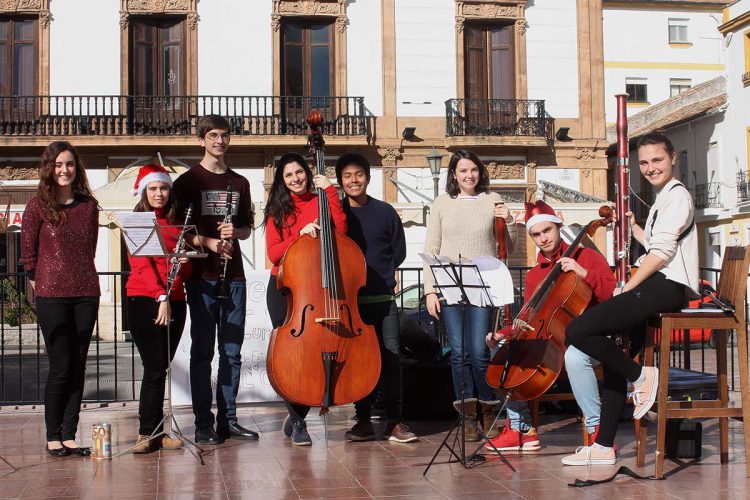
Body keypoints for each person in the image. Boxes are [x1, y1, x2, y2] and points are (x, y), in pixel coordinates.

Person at [563, 131, 698, 466]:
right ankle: (604, 446)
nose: (651, 167)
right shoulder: (663, 198)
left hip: (667, 285)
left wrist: (628, 285)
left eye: (657, 160)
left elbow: (663, 252)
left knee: (578, 330)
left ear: (673, 158)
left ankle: (641, 376)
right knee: (615, 353)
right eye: (644, 162)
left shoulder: (677, 196)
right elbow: (657, 240)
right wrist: (635, 228)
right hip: (659, 282)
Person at [484, 200, 616, 452]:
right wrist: (503, 333)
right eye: (536, 234)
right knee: (500, 349)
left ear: (558, 226)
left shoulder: (586, 256)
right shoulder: (535, 275)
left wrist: (582, 272)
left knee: (576, 357)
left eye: (547, 231)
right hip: (550, 340)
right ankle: (521, 427)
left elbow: (612, 294)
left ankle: (598, 429)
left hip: (589, 337)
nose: (543, 238)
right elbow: (532, 318)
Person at [172, 115, 257, 445]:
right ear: (201, 140)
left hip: (233, 274)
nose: (219, 141)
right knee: (202, 353)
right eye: (212, 136)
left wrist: (234, 232)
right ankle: (202, 423)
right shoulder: (186, 182)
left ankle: (229, 420)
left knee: (232, 352)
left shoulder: (241, 183)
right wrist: (207, 242)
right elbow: (179, 233)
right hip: (202, 277)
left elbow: (248, 229)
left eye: (224, 136)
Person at [423, 149, 517, 441]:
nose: (469, 175)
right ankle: (466, 416)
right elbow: (432, 249)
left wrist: (510, 221)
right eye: (463, 171)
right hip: (450, 287)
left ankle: (487, 407)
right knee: (458, 354)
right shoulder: (441, 203)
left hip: (483, 288)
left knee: (478, 353)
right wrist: (429, 291)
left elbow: (507, 249)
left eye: (473, 170)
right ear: (454, 174)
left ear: (480, 172)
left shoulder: (492, 201)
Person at [21, 141, 100, 457]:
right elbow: (28, 255)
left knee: (79, 365)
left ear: (76, 168)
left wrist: (78, 278)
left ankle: (69, 434)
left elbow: (89, 248)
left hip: (86, 293)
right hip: (52, 295)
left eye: (69, 164)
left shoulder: (89, 206)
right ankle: (53, 435)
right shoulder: (36, 207)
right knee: (61, 366)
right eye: (58, 165)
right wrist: (41, 283)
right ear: (49, 169)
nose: (64, 170)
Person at [264, 152, 347, 446]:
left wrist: (330, 192)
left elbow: (342, 230)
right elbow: (274, 253)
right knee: (291, 358)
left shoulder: (321, 199)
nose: (295, 179)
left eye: (299, 172)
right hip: (285, 289)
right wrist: (299, 234)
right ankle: (299, 421)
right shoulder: (277, 210)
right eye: (288, 175)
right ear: (282, 181)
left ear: (307, 173)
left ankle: (296, 412)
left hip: (319, 290)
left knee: (313, 355)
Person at [335, 153, 418, 444]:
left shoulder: (385, 212)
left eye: (358, 174)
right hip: (351, 302)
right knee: (360, 363)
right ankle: (363, 421)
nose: (353, 180)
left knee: (392, 360)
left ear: (368, 178)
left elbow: (399, 251)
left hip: (383, 299)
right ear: (340, 181)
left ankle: (394, 422)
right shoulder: (337, 213)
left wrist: (382, 273)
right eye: (347, 176)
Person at [125, 164, 192, 453]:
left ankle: (158, 431)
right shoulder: (137, 221)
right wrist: (160, 296)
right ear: (143, 191)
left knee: (160, 368)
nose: (159, 193)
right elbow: (142, 264)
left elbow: (180, 273)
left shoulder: (178, 224)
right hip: (146, 298)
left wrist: (185, 264)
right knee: (153, 367)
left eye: (163, 188)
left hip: (175, 299)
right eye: (153, 188)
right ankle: (145, 433)